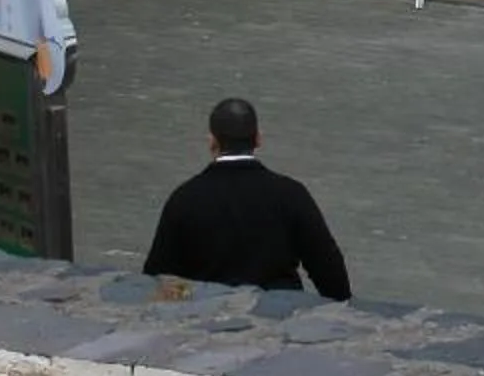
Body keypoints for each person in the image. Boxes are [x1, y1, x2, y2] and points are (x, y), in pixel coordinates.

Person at [141, 98, 352, 299]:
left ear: (212, 141)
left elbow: (158, 276)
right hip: (279, 317)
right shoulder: (291, 194)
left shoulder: (184, 199)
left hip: (207, 316)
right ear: (258, 138)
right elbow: (328, 266)